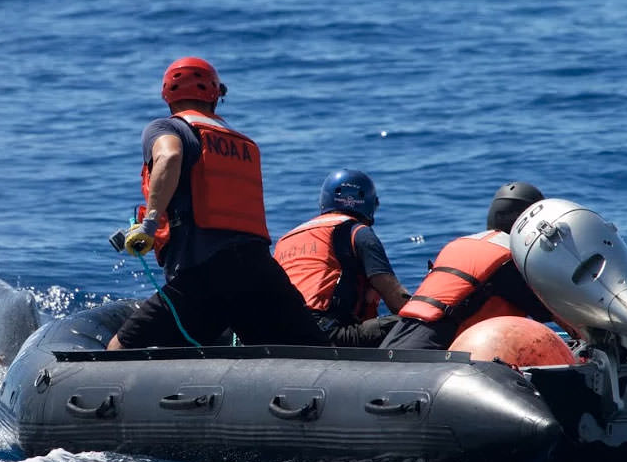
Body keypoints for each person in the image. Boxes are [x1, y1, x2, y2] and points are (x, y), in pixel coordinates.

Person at [107, 57, 329, 350]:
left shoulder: (166, 128)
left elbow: (169, 157)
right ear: (216, 95)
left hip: (204, 277)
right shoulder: (244, 144)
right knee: (313, 353)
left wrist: (149, 224)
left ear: (167, 95)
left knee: (119, 350)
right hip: (259, 270)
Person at [379, 181, 558, 351]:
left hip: (396, 342)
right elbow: (548, 312)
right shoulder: (509, 262)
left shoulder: (459, 245)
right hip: (436, 353)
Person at [274, 169, 411, 347]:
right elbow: (396, 299)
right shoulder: (359, 232)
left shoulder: (286, 239)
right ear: (369, 204)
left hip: (277, 333)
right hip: (327, 335)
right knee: (417, 322)